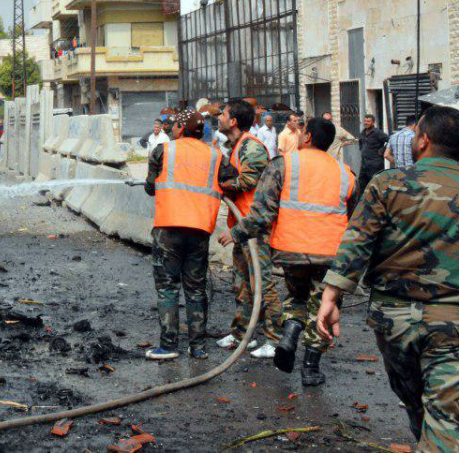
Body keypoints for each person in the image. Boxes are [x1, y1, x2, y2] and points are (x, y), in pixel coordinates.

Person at [316, 106, 459, 451]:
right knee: (440, 411)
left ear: (423, 140)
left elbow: (357, 242)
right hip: (453, 321)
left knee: (421, 404)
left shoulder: (387, 184)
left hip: (394, 320)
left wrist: (330, 298)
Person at [231, 117, 358, 387]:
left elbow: (261, 214)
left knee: (296, 298)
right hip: (331, 255)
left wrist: (237, 233)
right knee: (324, 307)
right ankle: (311, 367)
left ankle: (289, 333)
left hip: (292, 251)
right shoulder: (345, 173)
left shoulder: (283, 164)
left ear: (308, 137)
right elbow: (355, 220)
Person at [142, 109, 236, 361]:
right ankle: (198, 348)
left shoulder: (163, 151)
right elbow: (232, 181)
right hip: (199, 231)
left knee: (168, 288)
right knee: (195, 290)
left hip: (168, 229)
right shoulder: (217, 156)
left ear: (181, 129)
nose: (171, 128)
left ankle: (169, 346)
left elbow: (150, 188)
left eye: (174, 126)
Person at [214, 100, 280, 358]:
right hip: (242, 226)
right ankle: (243, 333)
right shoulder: (235, 146)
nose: (219, 117)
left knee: (262, 284)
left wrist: (220, 185)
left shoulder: (252, 146)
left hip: (255, 227)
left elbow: (250, 179)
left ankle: (274, 340)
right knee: (242, 283)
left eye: (223, 113)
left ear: (233, 122)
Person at [358, 113, 390, 191]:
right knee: (361, 184)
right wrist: (362, 149)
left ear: (373, 122)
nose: (366, 123)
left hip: (375, 164)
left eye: (368, 121)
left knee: (375, 184)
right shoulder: (363, 132)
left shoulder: (377, 132)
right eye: (365, 121)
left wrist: (382, 150)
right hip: (364, 163)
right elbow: (360, 142)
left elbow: (390, 140)